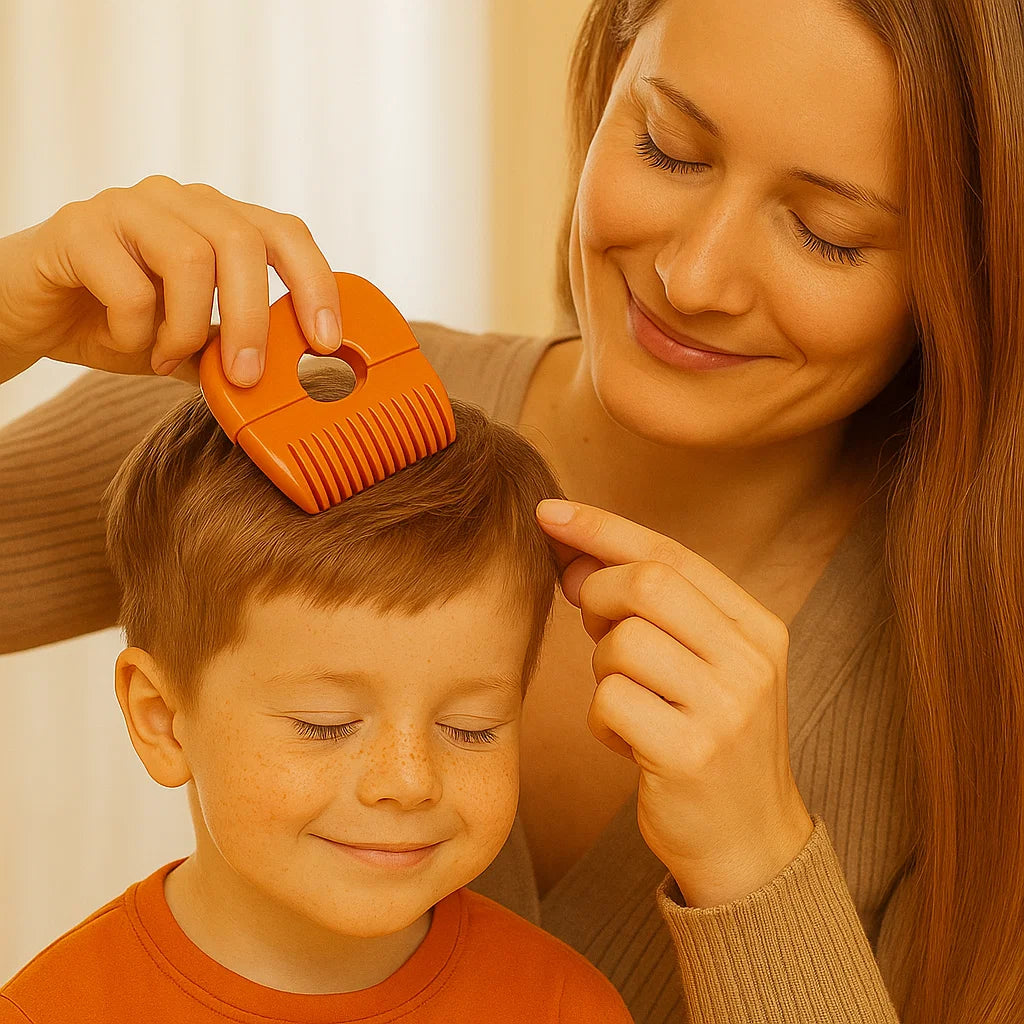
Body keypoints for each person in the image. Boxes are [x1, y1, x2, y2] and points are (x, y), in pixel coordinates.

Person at [0, 0, 1021, 1021]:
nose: (692, 277)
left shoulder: (980, 672)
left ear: (965, 277)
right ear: (605, 88)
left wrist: (757, 867)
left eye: (827, 235)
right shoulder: (280, 424)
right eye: (668, 149)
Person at [0, 368, 633, 1023]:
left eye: (471, 728)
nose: (409, 782)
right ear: (162, 719)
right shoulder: (49, 1011)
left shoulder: (562, 1007)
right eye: (324, 724)